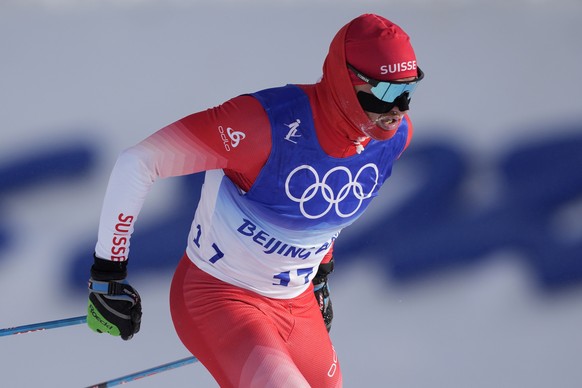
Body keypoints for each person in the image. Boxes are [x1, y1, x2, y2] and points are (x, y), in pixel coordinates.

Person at [86, 13, 423, 387]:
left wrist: (319, 276)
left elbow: (326, 210)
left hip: (295, 305)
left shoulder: (393, 139)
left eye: (409, 89)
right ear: (347, 81)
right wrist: (108, 274)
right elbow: (138, 163)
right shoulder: (262, 124)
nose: (400, 108)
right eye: (387, 92)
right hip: (217, 296)